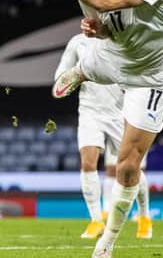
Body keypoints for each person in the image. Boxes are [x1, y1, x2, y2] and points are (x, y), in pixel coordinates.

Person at [26, 0, 163, 258]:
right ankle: (83, 69)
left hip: (152, 76)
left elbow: (105, 0)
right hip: (114, 60)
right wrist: (97, 29)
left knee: (128, 168)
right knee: (93, 54)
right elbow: (107, 24)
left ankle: (106, 244)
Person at [55, 34, 152, 240]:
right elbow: (60, 76)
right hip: (89, 111)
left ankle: (144, 216)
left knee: (131, 167)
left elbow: (138, 72)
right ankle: (96, 220)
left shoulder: (122, 38)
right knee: (88, 162)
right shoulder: (77, 43)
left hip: (120, 112)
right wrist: (75, 77)